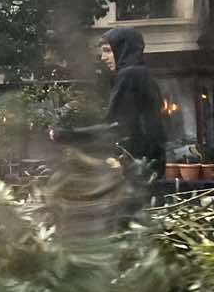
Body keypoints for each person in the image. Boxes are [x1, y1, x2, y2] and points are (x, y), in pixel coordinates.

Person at [53, 27, 167, 196]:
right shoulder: (142, 74)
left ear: (124, 49)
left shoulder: (129, 75)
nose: (103, 57)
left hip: (136, 168)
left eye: (108, 51)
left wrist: (68, 135)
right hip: (147, 166)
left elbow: (116, 127)